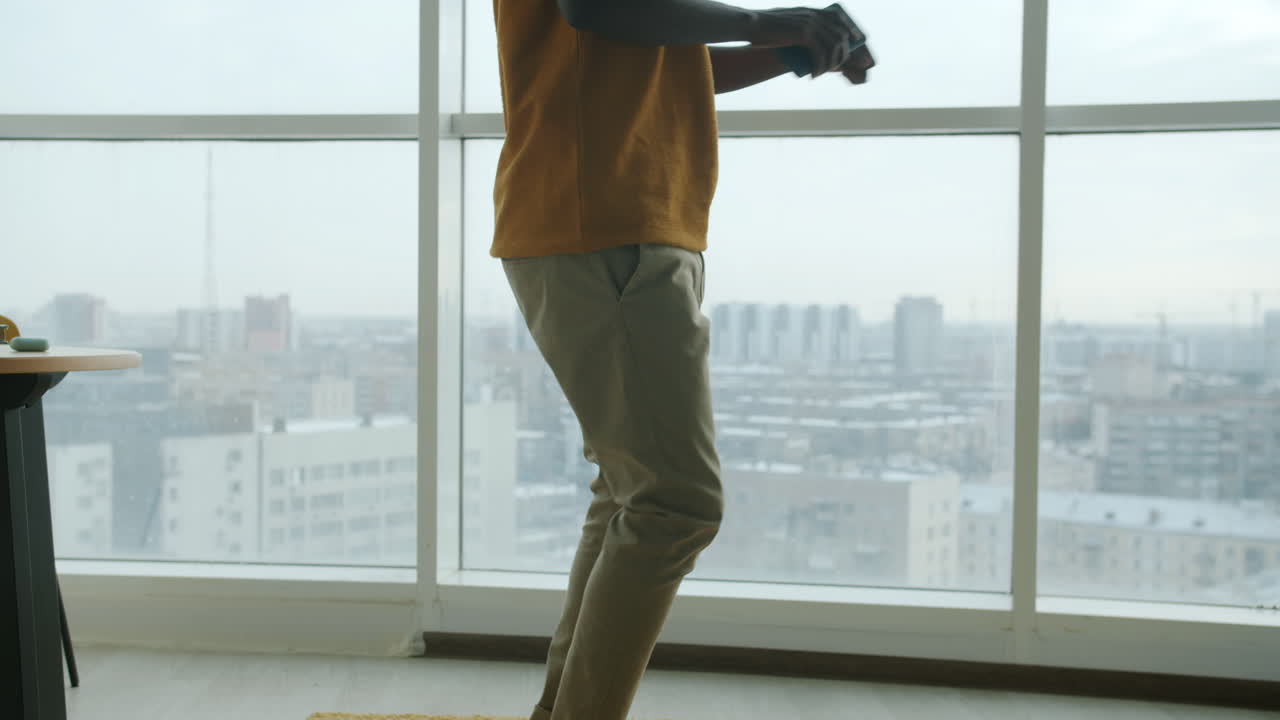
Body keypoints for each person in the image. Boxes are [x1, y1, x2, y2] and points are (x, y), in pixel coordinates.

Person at [490, 2, 875, 719]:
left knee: (632, 494)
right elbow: (600, 6)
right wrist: (768, 22)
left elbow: (662, 61)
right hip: (605, 219)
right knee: (675, 504)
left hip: (623, 219)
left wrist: (794, 51)